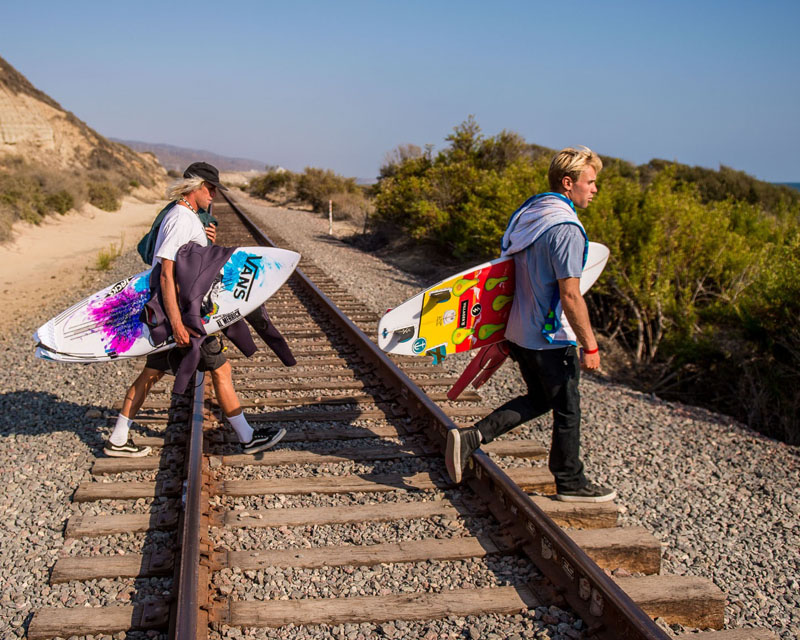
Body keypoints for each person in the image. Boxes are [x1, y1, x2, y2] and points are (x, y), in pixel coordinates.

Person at [445, 147, 616, 502]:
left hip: (519, 331)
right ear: (569, 184)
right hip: (550, 337)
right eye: (591, 182)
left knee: (542, 398)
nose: (595, 189)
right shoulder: (566, 229)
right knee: (568, 407)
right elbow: (570, 295)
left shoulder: (530, 216)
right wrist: (590, 346)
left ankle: (473, 437)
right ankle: (571, 481)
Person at [104, 162, 285, 457]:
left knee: (152, 373)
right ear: (196, 186)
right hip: (182, 315)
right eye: (211, 188)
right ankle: (247, 438)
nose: (214, 194)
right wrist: (177, 323)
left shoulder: (189, 218)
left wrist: (207, 242)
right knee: (221, 369)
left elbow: (192, 263)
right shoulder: (180, 218)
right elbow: (166, 272)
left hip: (177, 312)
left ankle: (118, 437)